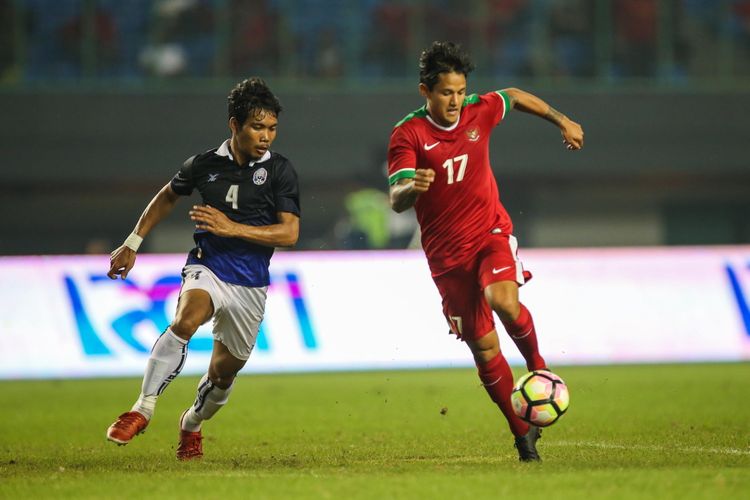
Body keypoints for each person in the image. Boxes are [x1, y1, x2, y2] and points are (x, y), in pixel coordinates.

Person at [387, 41, 583, 462]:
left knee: (504, 301)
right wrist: (411, 187)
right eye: (446, 93)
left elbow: (513, 95)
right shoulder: (408, 134)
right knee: (485, 349)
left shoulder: (480, 109)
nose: (456, 100)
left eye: (460, 91)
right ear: (426, 92)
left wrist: (561, 120)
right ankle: (522, 436)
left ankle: (539, 368)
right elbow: (396, 198)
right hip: (446, 259)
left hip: (490, 232)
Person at [105, 77, 300, 460]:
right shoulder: (203, 165)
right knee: (186, 320)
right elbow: (166, 196)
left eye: (272, 128)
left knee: (224, 374)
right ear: (234, 124)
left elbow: (290, 233)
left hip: (250, 284)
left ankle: (191, 422)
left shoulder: (279, 171)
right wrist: (132, 242)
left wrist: (233, 227)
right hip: (208, 266)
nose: (266, 136)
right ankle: (141, 408)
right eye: (257, 127)